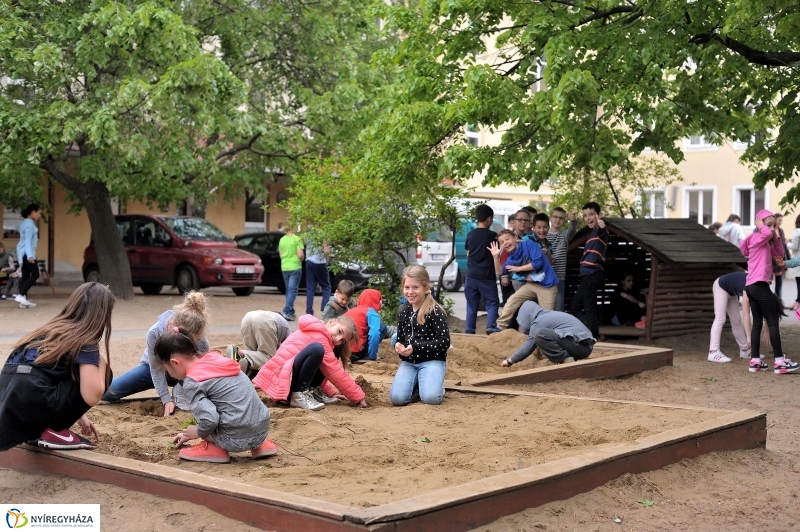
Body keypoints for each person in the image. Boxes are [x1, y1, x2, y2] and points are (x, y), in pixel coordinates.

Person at [0, 282, 113, 451]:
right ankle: (52, 430)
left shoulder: (51, 330)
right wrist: (101, 362)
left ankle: (36, 430)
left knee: (78, 370)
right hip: (33, 396)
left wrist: (79, 416)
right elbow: (92, 394)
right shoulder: (85, 340)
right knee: (103, 374)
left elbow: (44, 373)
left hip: (9, 395)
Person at [154, 328, 277, 463]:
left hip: (234, 438)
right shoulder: (218, 360)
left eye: (167, 370)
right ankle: (261, 446)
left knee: (206, 416)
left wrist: (198, 432)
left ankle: (214, 448)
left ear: (175, 363)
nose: (169, 375)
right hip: (261, 430)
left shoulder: (193, 382)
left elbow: (210, 419)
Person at [101, 291, 210, 416]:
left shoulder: (201, 341)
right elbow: (156, 369)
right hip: (156, 369)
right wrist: (166, 399)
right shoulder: (155, 332)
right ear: (171, 323)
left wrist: (182, 386)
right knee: (108, 393)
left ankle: (179, 389)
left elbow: (202, 373)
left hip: (184, 374)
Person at [253, 315, 367, 411]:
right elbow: (335, 372)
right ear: (331, 322)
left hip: (288, 375)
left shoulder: (322, 336)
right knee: (317, 349)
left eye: (342, 340)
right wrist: (358, 397)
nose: (337, 339)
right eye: (339, 332)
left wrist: (330, 392)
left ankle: (314, 391)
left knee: (327, 355)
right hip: (281, 379)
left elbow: (325, 370)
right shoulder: (319, 336)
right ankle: (298, 395)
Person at [740, 209, 798, 374]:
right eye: (769, 225)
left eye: (775, 226)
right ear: (759, 225)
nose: (772, 229)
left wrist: (777, 235)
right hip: (758, 285)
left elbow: (779, 254)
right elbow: (762, 236)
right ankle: (780, 362)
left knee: (757, 322)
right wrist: (761, 227)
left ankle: (755, 361)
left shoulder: (763, 241)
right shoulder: (758, 238)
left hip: (752, 286)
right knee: (772, 321)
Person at [390, 265, 450, 406]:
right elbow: (400, 337)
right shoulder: (403, 311)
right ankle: (417, 384)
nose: (410, 292)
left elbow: (444, 342)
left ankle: (436, 387)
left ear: (426, 288)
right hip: (409, 362)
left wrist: (415, 347)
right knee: (397, 399)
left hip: (432, 360)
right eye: (407, 287)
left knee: (431, 399)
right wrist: (399, 345)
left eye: (415, 287)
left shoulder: (435, 311)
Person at [489, 229, 559, 332]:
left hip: (548, 285)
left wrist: (518, 268)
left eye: (507, 239)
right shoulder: (511, 258)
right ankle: (500, 326)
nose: (505, 243)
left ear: (515, 238)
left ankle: (545, 338)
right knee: (512, 300)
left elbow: (537, 263)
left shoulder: (528, 244)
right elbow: (500, 272)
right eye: (502, 242)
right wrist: (495, 257)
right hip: (532, 284)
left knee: (546, 316)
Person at [500, 301, 594, 366]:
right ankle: (568, 358)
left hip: (582, 347)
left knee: (539, 334)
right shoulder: (547, 315)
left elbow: (528, 347)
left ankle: (566, 360)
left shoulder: (538, 322)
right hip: (585, 345)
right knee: (543, 334)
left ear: (527, 316)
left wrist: (509, 361)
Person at [568, 202, 608, 339]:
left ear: (599, 215)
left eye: (591, 214)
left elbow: (602, 229)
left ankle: (593, 337)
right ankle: (589, 333)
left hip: (592, 274)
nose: (588, 218)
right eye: (585, 215)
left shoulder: (599, 231)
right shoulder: (592, 233)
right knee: (574, 308)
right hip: (587, 276)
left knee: (589, 309)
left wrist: (601, 225)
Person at [464, 204, 500, 335]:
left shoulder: (470, 234)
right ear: (489, 218)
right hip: (486, 276)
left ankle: (469, 331)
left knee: (471, 305)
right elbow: (496, 254)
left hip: (471, 275)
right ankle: (491, 327)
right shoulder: (492, 236)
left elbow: (469, 253)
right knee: (492, 303)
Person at [226, 310, 291, 378]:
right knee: (268, 358)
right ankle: (240, 353)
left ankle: (243, 358)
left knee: (252, 355)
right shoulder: (284, 326)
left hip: (248, 317)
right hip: (265, 320)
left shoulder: (273, 317)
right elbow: (290, 348)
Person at [708, 271, 751, 363]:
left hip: (731, 293)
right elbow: (746, 312)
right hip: (721, 287)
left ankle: (745, 350)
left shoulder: (753, 284)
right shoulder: (749, 285)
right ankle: (713, 352)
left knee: (736, 320)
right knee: (720, 318)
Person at [344, 288, 395, 364]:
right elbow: (374, 334)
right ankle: (367, 356)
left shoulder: (350, 311)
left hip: (343, 353)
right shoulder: (371, 312)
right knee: (382, 327)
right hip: (356, 354)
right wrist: (372, 356)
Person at [548, 207, 578, 311]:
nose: (557, 220)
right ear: (550, 218)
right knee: (546, 307)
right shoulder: (543, 235)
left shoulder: (564, 236)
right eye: (555, 217)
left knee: (558, 307)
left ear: (564, 221)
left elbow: (573, 228)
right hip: (544, 277)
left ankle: (558, 327)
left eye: (561, 218)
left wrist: (573, 220)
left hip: (559, 277)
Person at [15, 203, 42, 309]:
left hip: (22, 254)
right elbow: (27, 242)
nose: (39, 216)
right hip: (27, 254)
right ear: (33, 212)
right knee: (35, 274)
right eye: (38, 213)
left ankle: (23, 301)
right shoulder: (30, 225)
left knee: (25, 276)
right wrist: (30, 256)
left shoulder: (23, 223)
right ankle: (21, 295)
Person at [278, 226, 304, 321]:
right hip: (295, 266)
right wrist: (302, 258)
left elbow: (281, 255)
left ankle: (291, 311)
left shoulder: (282, 239)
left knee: (289, 290)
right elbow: (300, 254)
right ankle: (287, 311)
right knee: (292, 290)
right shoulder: (297, 239)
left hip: (284, 266)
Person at [305, 239, 331, 316]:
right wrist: (327, 259)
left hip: (309, 261)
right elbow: (326, 250)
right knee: (326, 287)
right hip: (320, 262)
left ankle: (309, 311)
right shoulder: (322, 233)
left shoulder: (308, 234)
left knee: (310, 288)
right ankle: (324, 308)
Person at [786, 214, 800, 311]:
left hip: (797, 259)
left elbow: (794, 247)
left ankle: (798, 302)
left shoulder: (797, 231)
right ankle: (797, 301)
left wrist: (787, 243)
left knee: (799, 282)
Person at [774, 213, 789, 299]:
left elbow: (784, 246)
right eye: (779, 220)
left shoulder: (781, 230)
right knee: (766, 283)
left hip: (781, 259)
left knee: (779, 284)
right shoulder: (770, 230)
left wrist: (787, 259)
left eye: (781, 220)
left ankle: (778, 303)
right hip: (772, 260)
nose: (780, 222)